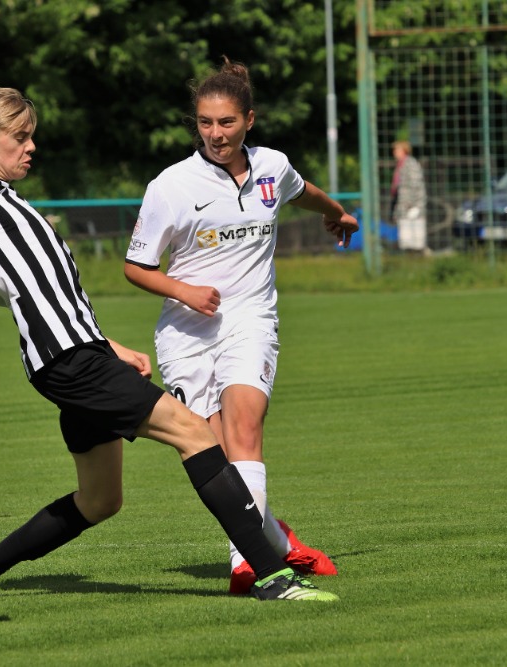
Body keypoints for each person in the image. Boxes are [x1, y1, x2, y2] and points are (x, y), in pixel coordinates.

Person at [0, 86, 345, 601]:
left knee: (100, 500)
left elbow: (51, 299)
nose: (31, 146)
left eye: (31, 136)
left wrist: (109, 346)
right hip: (70, 364)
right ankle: (271, 576)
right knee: (196, 434)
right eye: (20, 138)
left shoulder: (11, 202)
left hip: (82, 355)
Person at [123, 58, 356, 595]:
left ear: (248, 120)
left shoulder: (273, 166)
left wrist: (336, 213)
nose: (215, 133)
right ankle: (277, 539)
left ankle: (247, 563)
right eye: (205, 123)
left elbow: (303, 191)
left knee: (246, 428)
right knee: (216, 455)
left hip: (251, 318)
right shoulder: (170, 186)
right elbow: (136, 267)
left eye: (226, 122)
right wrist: (183, 290)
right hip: (186, 334)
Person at [389, 140, 427, 253]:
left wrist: (413, 204)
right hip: (403, 204)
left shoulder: (410, 163)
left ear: (404, 150)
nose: (394, 152)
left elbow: (416, 184)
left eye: (397, 149)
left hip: (412, 205)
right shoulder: (401, 164)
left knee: (415, 234)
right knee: (405, 233)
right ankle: (408, 254)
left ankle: (417, 254)